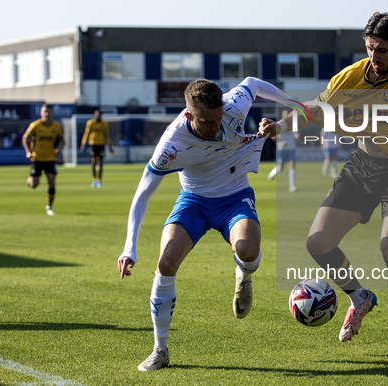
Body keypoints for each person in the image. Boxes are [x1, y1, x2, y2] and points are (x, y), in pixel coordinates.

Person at [259, 12, 388, 358]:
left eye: (382, 50)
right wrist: (278, 126)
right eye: (370, 48)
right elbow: (314, 110)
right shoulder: (350, 77)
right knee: (318, 243)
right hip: (362, 167)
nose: (374, 57)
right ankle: (359, 297)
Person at [117, 77, 307, 371]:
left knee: (247, 250)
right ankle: (160, 349)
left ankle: (243, 276)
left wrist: (292, 104)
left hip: (234, 195)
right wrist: (129, 247)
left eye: (219, 117)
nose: (216, 125)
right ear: (189, 115)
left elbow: (253, 83)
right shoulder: (171, 144)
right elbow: (142, 194)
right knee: (166, 263)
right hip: (193, 201)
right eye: (207, 121)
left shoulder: (233, 105)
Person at [22, 103, 65, 216]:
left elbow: (61, 140)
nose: (46, 113)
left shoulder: (57, 126)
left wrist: (59, 148)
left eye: (48, 111)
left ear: (52, 113)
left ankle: (49, 206)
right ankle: (30, 180)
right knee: (34, 185)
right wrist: (28, 151)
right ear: (41, 113)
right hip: (37, 158)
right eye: (44, 111)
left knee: (51, 182)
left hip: (51, 158)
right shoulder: (35, 125)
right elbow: (25, 137)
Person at [81, 110, 113, 188]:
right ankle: (94, 179)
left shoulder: (104, 124)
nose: (97, 116)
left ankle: (99, 180)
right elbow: (86, 133)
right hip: (93, 144)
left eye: (99, 115)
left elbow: (107, 135)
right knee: (93, 161)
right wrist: (83, 143)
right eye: (96, 114)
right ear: (94, 115)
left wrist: (109, 146)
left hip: (101, 144)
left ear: (101, 115)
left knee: (100, 162)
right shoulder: (90, 123)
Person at [267, 110, 298, 192]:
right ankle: (272, 174)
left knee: (292, 164)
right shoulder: (278, 124)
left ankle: (292, 186)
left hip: (291, 148)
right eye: (285, 115)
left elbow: (296, 133)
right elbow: (272, 136)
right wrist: (280, 141)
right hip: (282, 149)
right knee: (281, 168)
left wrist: (296, 137)